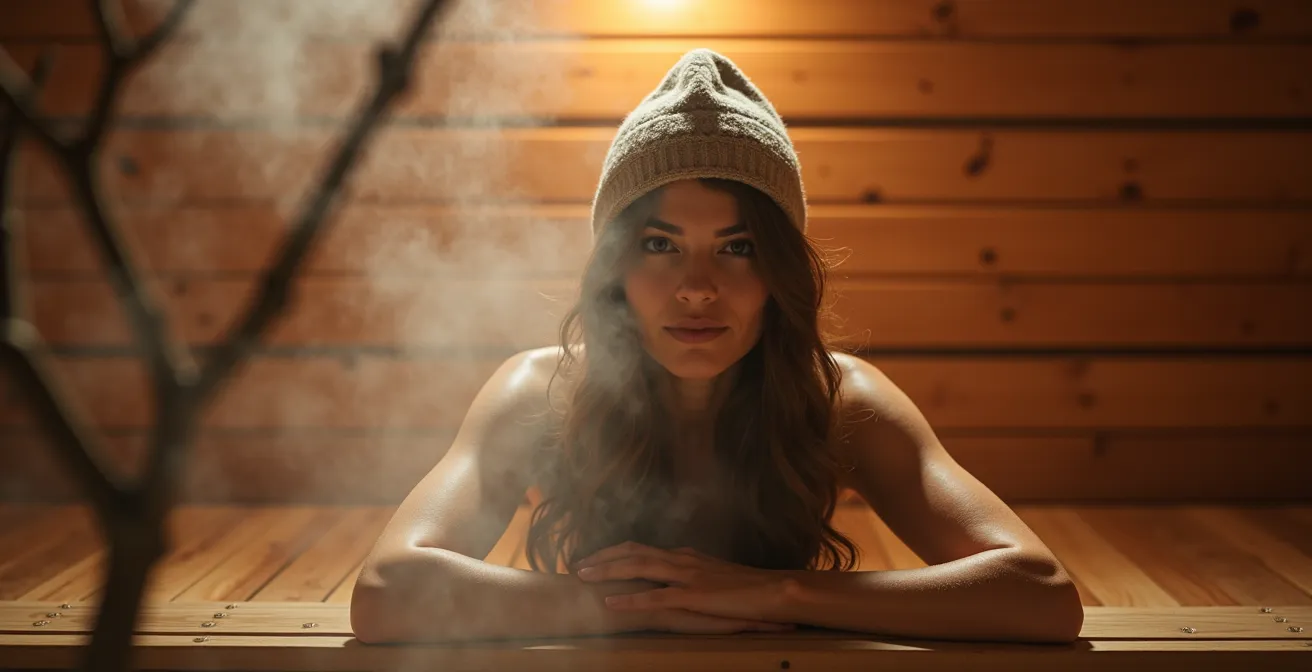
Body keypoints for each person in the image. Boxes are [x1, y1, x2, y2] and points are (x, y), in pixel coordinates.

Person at [350, 49, 1084, 645]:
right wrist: (631, 610)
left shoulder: (842, 399)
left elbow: (1040, 594)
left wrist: (777, 592)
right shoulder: (542, 394)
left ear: (778, 272)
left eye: (736, 247)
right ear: (615, 270)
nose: (697, 289)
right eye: (661, 245)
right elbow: (388, 590)